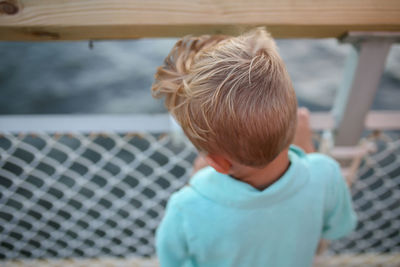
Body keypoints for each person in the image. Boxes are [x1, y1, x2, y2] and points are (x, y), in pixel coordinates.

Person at [151, 28, 357, 267]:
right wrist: (307, 152)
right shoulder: (325, 173)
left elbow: (171, 261)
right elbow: (338, 227)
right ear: (294, 125)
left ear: (217, 163)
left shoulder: (187, 205)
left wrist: (198, 181)